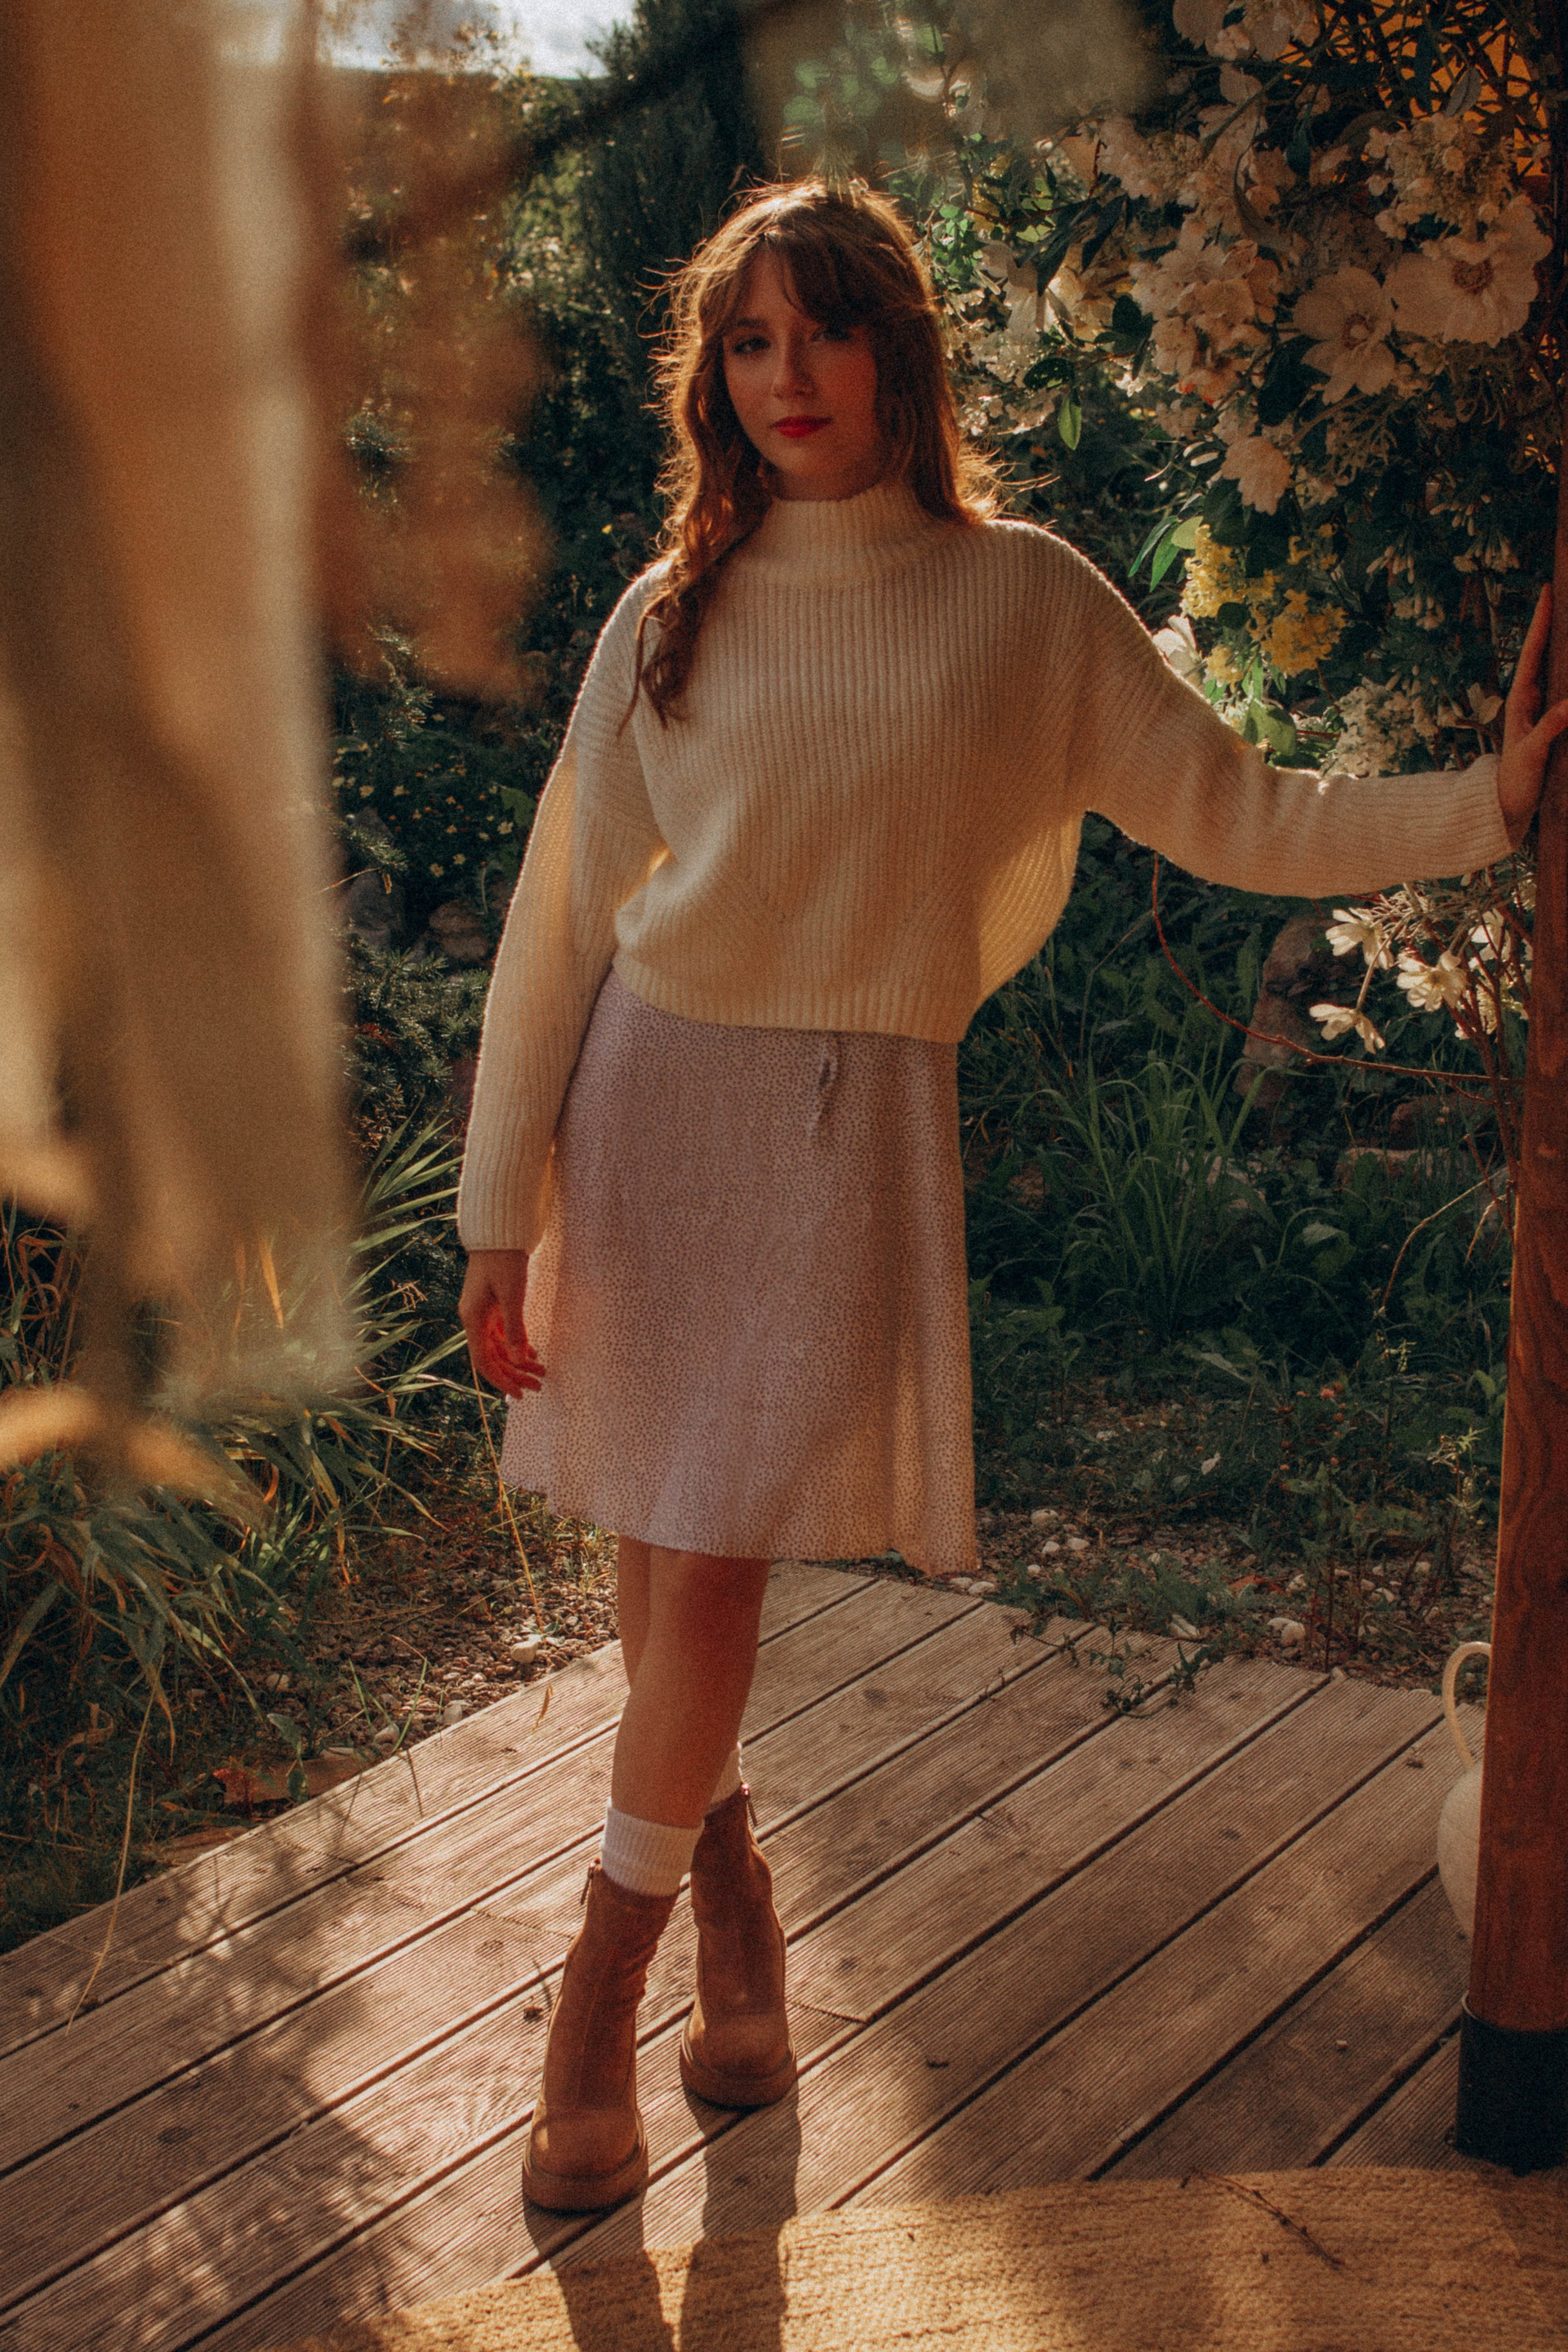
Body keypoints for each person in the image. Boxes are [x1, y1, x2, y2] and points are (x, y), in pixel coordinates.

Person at [457, 178, 1566, 2215]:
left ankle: (594, 1998)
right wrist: (495, 1210)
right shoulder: (668, 610)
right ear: (716, 376)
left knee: (709, 1575)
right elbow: (559, 919)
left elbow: (1242, 808)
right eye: (749, 342)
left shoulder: (1024, 601)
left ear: (898, 344)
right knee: (657, 1560)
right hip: (644, 1109)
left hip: (845, 1130)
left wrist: (1482, 808)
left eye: (823, 329)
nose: (786, 377)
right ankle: (736, 1915)